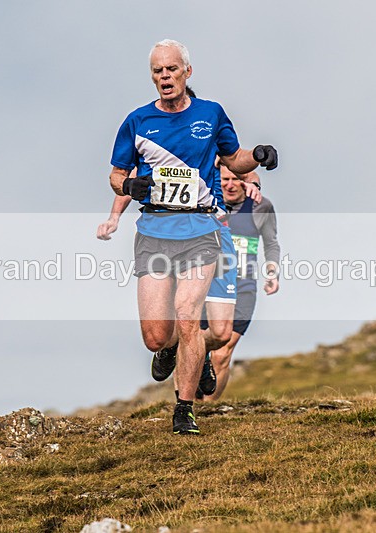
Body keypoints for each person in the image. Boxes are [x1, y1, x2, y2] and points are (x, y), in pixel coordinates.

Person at [109, 39, 278, 434]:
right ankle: (174, 351)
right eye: (157, 71)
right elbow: (116, 176)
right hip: (153, 231)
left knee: (188, 316)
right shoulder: (137, 121)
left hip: (200, 230)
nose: (165, 77)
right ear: (152, 76)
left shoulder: (211, 113)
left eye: (171, 69)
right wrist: (130, 186)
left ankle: (183, 410)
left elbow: (234, 157)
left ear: (187, 72)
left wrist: (259, 155)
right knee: (156, 336)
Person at [200, 164, 280, 400]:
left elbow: (271, 242)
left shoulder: (261, 206)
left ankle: (208, 408)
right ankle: (187, 405)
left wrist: (272, 271)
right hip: (206, 287)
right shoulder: (205, 203)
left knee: (222, 353)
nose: (231, 184)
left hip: (243, 288)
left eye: (237, 179)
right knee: (193, 347)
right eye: (225, 179)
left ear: (247, 182)